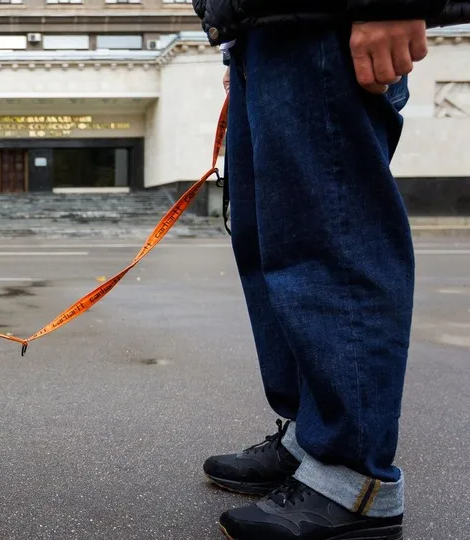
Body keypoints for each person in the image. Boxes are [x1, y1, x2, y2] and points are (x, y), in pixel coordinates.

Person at [190, 1, 470, 539]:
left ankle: (354, 481)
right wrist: (237, 47)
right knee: (269, 242)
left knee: (331, 243)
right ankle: (309, 442)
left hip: (325, 17)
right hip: (258, 31)